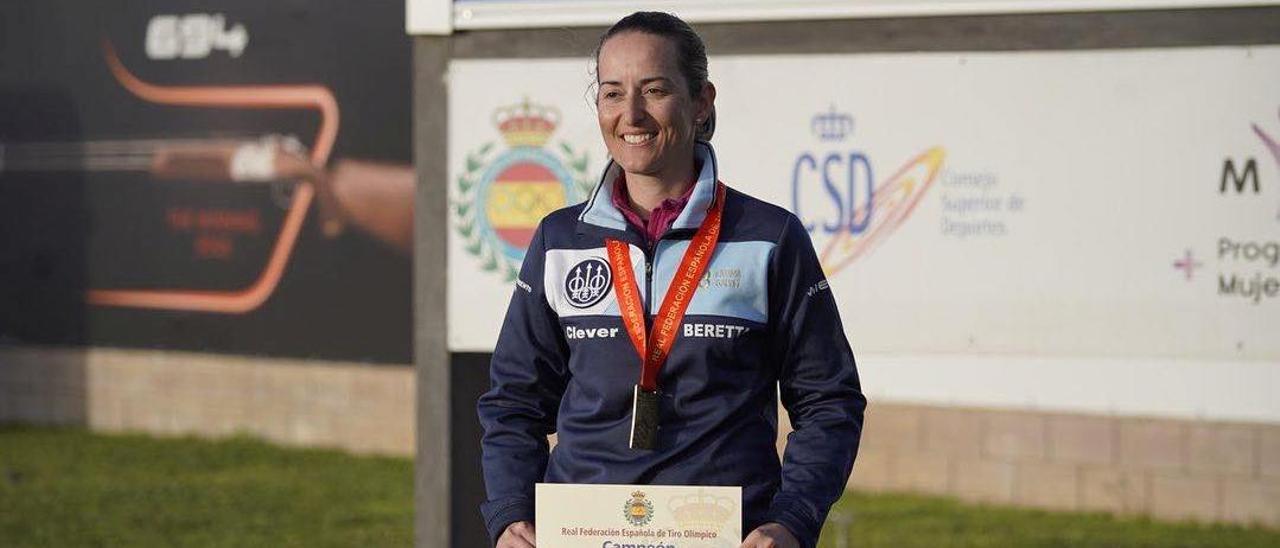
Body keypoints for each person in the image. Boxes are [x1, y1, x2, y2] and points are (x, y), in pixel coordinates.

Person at [478, 11, 865, 548]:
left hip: (728, 536)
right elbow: (513, 401)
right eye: (612, 93)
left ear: (702, 101)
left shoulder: (771, 236)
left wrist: (792, 520)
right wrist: (510, 512)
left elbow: (829, 401)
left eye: (654, 89)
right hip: (582, 534)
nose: (631, 114)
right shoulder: (558, 239)